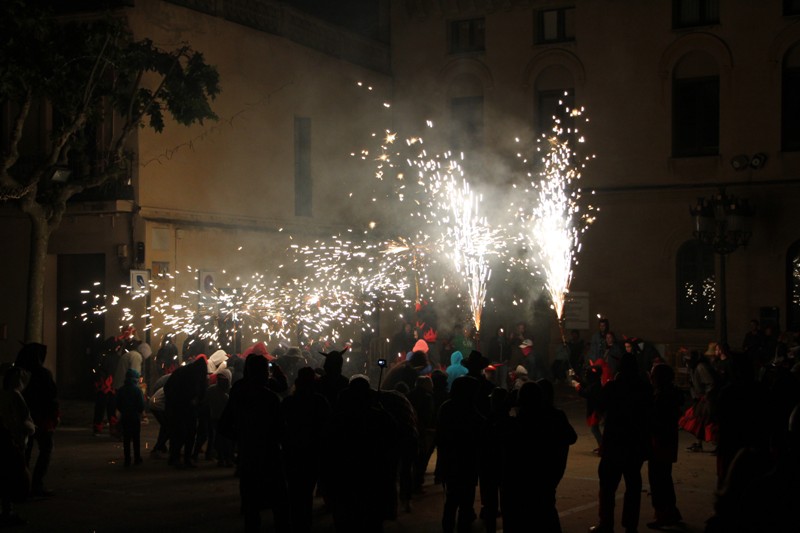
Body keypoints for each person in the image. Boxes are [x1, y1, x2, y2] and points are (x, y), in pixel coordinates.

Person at [219, 353, 289, 533]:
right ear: (263, 372)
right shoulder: (270, 397)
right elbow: (281, 429)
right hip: (269, 453)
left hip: (248, 452)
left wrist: (241, 437)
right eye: (266, 370)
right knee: (278, 498)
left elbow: (224, 424)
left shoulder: (238, 389)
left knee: (250, 499)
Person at [589, 352, 653, 533]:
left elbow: (599, 407)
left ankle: (606, 523)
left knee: (608, 485)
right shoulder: (644, 388)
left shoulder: (614, 387)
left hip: (615, 441)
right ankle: (630, 525)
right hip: (635, 442)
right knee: (633, 485)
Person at [500, 380, 576, 533]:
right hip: (547, 478)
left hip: (524, 481)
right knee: (546, 514)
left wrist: (506, 405)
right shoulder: (554, 417)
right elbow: (571, 438)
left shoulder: (521, 422)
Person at [280, 366, 331, 533]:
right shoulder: (320, 402)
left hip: (292, 452)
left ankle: (296, 522)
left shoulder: (288, 403)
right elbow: (327, 427)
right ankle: (304, 523)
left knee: (294, 490)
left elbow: (280, 427)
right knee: (307, 490)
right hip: (312, 453)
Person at [436, 376, 485, 533]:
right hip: (467, 463)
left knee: (451, 500)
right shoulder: (470, 410)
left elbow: (441, 437)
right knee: (464, 502)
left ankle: (449, 527)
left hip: (450, 461)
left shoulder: (447, 407)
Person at [15, 343, 58, 497]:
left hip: (23, 417)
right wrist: (54, 415)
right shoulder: (42, 374)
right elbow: (52, 396)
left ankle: (22, 484)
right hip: (41, 418)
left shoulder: (19, 372)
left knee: (24, 451)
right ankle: (36, 485)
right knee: (45, 449)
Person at [646, 363, 683, 529]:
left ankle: (662, 514)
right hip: (668, 441)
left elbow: (655, 421)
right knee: (664, 477)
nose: (651, 378)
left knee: (658, 479)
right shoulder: (670, 394)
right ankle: (671, 512)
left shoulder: (662, 396)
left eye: (653, 375)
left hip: (660, 442)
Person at [0, 366, 36, 526]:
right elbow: (22, 419)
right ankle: (8, 510)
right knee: (12, 476)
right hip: (13, 440)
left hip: (7, 438)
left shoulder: (4, 395)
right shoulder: (15, 396)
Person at [115, 369, 145, 467]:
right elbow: (141, 405)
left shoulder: (121, 390)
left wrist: (123, 411)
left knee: (126, 439)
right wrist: (139, 413)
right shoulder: (137, 390)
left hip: (125, 417)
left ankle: (127, 459)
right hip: (135, 417)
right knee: (136, 438)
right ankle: (137, 458)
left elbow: (118, 404)